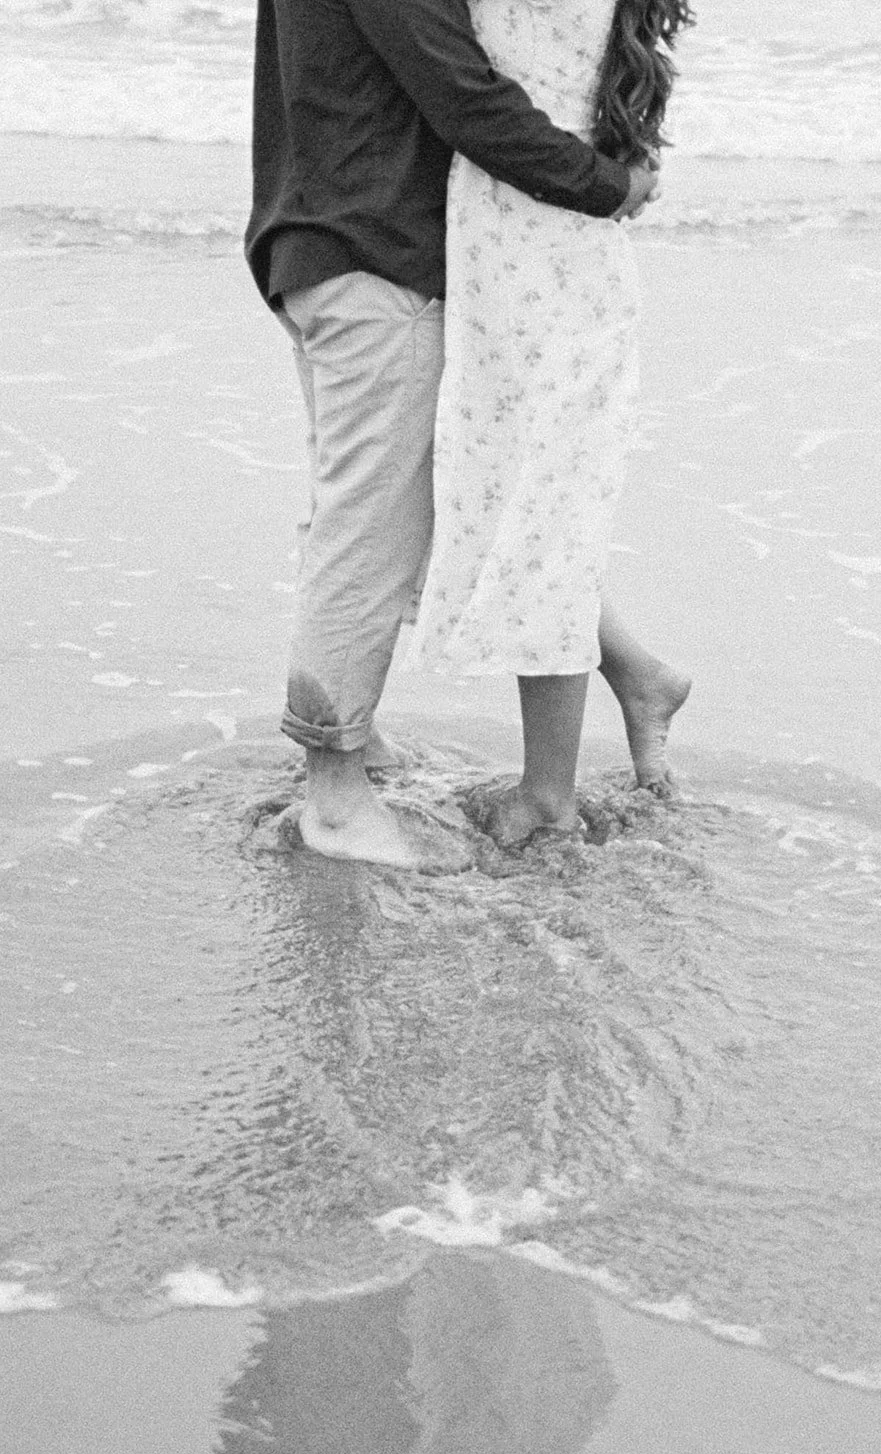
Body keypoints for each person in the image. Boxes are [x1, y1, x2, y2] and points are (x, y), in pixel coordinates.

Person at [246, 0, 658, 868]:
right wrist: (610, 187)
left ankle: (627, 671)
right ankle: (335, 797)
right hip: (374, 251)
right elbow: (467, 98)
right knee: (370, 527)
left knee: (410, 504)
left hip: (326, 241)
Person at [406, 0, 695, 846]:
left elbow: (479, 102)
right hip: (527, 248)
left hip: (540, 254)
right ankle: (640, 678)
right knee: (515, 508)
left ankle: (546, 794)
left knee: (539, 521)